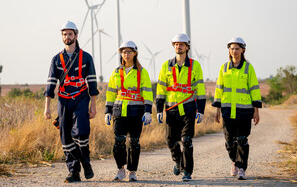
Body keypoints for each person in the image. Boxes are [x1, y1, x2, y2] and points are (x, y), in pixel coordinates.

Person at [43, 21, 99, 183]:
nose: (67, 37)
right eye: (64, 34)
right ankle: (74, 171)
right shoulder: (56, 59)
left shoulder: (86, 57)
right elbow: (51, 84)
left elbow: (93, 84)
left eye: (69, 34)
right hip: (64, 100)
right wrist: (47, 108)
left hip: (81, 98)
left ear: (76, 35)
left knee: (81, 133)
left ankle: (86, 163)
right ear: (62, 37)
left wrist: (93, 106)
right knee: (65, 136)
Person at [156, 33, 206, 181]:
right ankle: (177, 160)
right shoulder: (166, 65)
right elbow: (160, 89)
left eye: (181, 44)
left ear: (187, 47)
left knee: (187, 141)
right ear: (173, 46)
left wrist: (201, 110)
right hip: (171, 109)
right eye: (176, 44)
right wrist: (159, 109)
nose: (178, 46)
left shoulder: (195, 65)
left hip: (189, 108)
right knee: (171, 141)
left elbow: (200, 90)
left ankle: (187, 172)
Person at [212, 37, 262, 180]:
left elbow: (254, 89)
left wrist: (256, 111)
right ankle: (234, 161)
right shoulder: (224, 68)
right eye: (232, 48)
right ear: (229, 50)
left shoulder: (248, 68)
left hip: (244, 111)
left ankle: (241, 168)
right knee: (229, 141)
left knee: (242, 139)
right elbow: (219, 89)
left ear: (243, 50)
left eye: (237, 48)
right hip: (227, 110)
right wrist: (217, 110)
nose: (234, 51)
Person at [104, 41, 153, 182]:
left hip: (136, 111)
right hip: (119, 111)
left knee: (134, 142)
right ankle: (120, 169)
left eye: (129, 51)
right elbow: (111, 93)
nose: (126, 54)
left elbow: (148, 93)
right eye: (124, 52)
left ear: (135, 53)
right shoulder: (116, 72)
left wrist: (148, 111)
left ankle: (132, 171)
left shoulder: (142, 72)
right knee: (119, 141)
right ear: (121, 54)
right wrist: (108, 111)